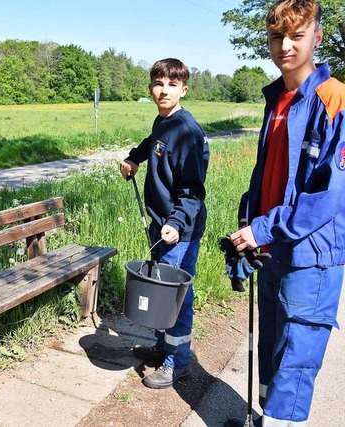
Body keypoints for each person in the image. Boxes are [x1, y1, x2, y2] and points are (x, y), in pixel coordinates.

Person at [228, 0, 345, 425]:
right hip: (273, 246)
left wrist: (265, 228)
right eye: (278, 36)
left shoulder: (333, 98)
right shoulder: (276, 98)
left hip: (311, 255)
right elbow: (270, 174)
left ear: (317, 37)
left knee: (296, 358)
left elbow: (328, 196)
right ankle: (263, 418)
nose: (286, 46)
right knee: (272, 347)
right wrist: (249, 218)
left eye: (297, 35)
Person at [120, 58, 209, 389]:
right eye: (158, 84)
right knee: (160, 291)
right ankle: (162, 346)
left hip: (179, 230)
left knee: (176, 297)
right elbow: (151, 143)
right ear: (150, 89)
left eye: (172, 85)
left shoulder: (187, 132)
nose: (164, 90)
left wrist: (176, 222)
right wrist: (133, 157)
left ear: (183, 89)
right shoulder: (164, 122)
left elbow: (193, 190)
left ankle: (178, 361)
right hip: (162, 225)